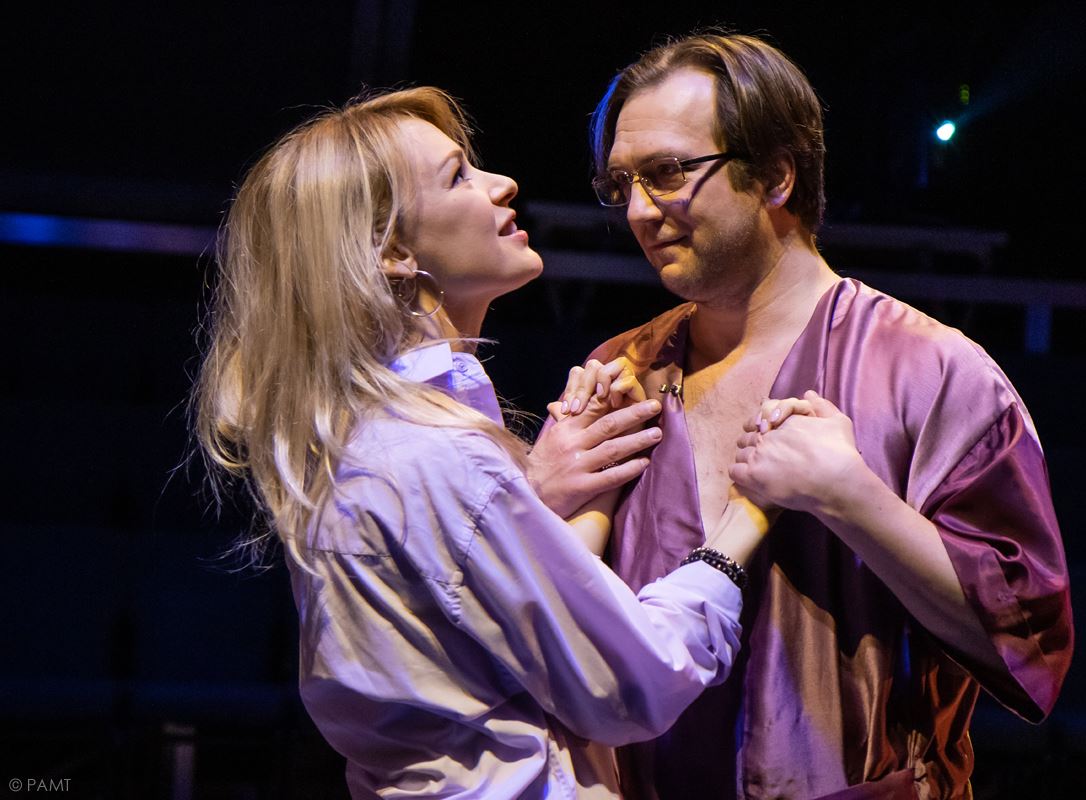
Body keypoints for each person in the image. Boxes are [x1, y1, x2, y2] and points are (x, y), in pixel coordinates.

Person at [192, 86, 775, 799]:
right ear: (392, 250)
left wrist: (566, 498)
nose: (503, 184)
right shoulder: (431, 456)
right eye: (459, 177)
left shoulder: (380, 443)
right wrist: (746, 518)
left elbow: (512, 648)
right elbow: (634, 683)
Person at [549, 32, 1074, 800]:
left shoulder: (931, 371)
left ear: (775, 175)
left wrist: (850, 497)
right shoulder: (622, 371)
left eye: (666, 174)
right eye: (620, 183)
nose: (636, 211)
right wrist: (541, 497)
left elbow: (1027, 641)